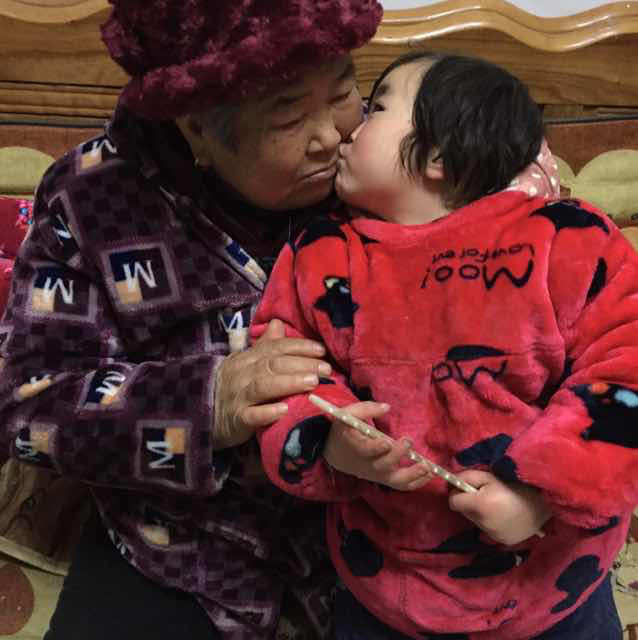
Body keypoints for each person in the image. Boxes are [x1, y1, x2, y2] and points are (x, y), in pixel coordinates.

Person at [0, 1, 385, 639]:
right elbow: (27, 405)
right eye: (289, 115)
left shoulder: (393, 154)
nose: (332, 135)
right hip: (178, 544)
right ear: (195, 127)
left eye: (344, 92)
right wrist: (210, 403)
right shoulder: (93, 195)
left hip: (374, 535)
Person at [254, 52, 638, 639]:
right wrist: (330, 443)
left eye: (376, 109)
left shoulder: (568, 239)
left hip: (555, 587)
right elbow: (281, 366)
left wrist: (539, 493)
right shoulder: (321, 253)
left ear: (437, 154)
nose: (346, 129)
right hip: (384, 588)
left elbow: (625, 373)